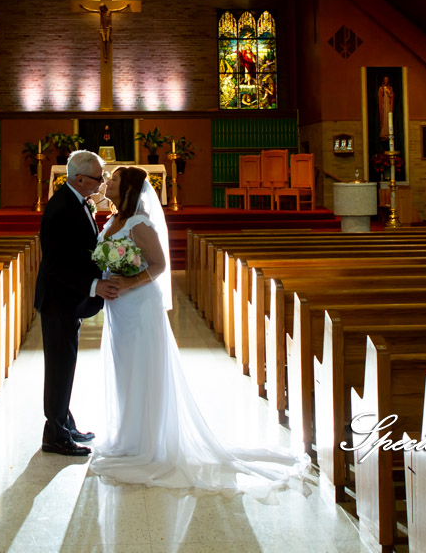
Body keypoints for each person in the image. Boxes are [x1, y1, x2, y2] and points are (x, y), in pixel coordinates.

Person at [87, 166, 308, 495]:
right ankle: (127, 436)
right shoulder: (112, 221)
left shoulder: (140, 223)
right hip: (119, 308)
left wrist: (130, 281)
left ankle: (146, 442)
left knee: (143, 368)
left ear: (129, 189)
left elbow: (159, 265)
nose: (107, 182)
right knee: (125, 369)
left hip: (139, 306)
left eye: (114, 179)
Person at [35, 150, 122, 456]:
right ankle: (54, 434)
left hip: (68, 300)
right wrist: (94, 285)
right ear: (81, 179)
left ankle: (64, 421)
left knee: (66, 363)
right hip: (59, 300)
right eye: (99, 178)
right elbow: (56, 265)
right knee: (59, 366)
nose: (103, 182)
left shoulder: (77, 200)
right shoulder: (61, 208)